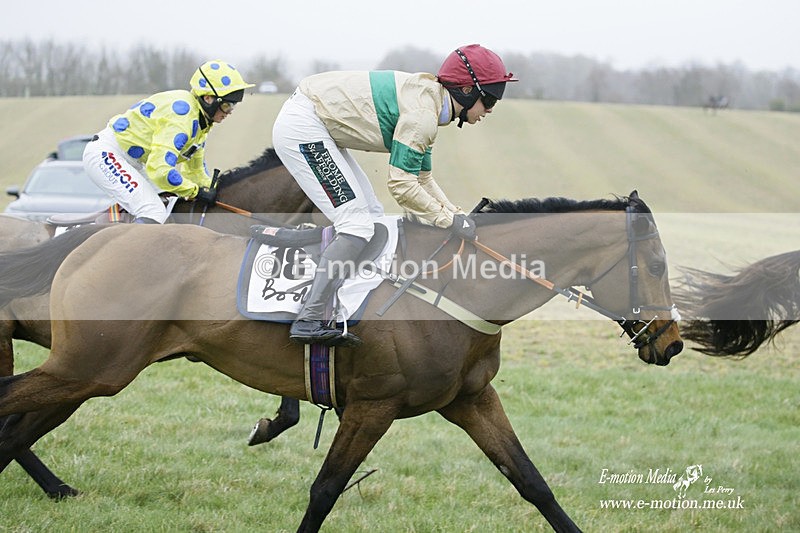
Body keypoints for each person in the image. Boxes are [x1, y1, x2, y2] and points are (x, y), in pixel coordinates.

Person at [272, 44, 517, 346]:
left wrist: (454, 214)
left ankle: (340, 301)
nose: (490, 109)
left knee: (372, 215)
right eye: (489, 99)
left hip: (315, 120)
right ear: (466, 90)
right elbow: (402, 185)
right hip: (304, 126)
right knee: (357, 224)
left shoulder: (431, 103)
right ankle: (308, 318)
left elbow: (422, 178)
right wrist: (447, 220)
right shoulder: (422, 116)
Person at [83, 60, 254, 224]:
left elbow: (195, 172)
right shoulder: (182, 118)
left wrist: (217, 191)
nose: (229, 112)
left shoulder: (201, 123)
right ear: (208, 99)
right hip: (107, 154)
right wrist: (196, 191)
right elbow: (161, 171)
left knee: (171, 205)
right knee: (153, 211)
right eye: (227, 105)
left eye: (233, 106)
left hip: (136, 162)